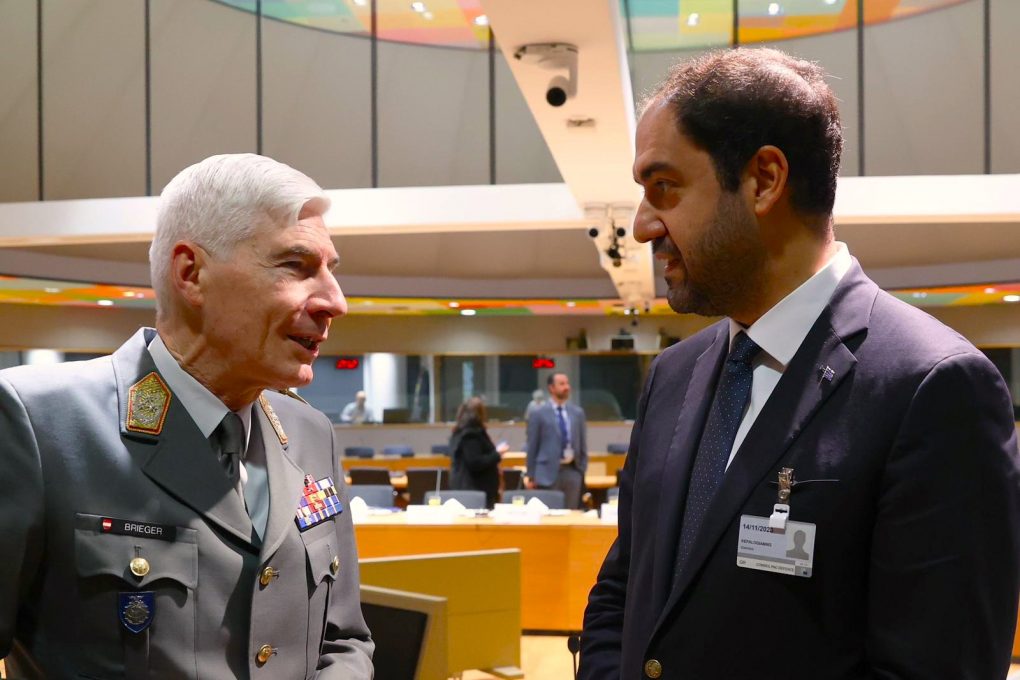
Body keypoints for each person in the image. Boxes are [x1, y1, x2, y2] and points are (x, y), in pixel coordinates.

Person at [580, 48, 1020, 680]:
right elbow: (623, 590)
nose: (644, 225)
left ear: (764, 180)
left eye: (664, 188)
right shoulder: (672, 377)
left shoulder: (935, 387)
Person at [0, 154, 374, 678]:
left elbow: (344, 638)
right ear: (191, 273)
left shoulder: (311, 433)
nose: (336, 301)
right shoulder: (38, 423)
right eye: (296, 265)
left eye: (332, 271)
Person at [526, 372, 588, 509]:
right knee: (549, 515)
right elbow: (532, 446)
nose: (567, 387)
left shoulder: (577, 413)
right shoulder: (538, 413)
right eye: (562, 384)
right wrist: (531, 475)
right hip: (546, 473)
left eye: (567, 383)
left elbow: (582, 444)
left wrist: (582, 469)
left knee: (571, 514)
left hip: (572, 471)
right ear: (551, 388)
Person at [449, 396, 509, 508]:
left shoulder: (459, 432)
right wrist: (497, 454)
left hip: (468, 490)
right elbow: (475, 463)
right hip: (474, 492)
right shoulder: (471, 435)